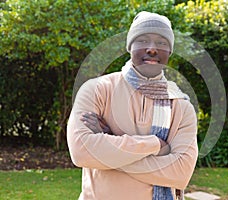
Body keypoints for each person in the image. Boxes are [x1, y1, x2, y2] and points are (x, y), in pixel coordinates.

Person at [67, 11, 198, 200]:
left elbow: (180, 173)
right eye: (143, 40)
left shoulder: (181, 106)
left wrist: (110, 145)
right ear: (130, 46)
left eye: (161, 43)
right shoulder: (97, 90)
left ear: (169, 51)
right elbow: (81, 152)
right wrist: (157, 146)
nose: (152, 49)